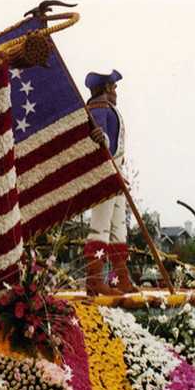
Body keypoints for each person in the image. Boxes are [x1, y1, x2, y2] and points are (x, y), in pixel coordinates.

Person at [83, 69, 138, 295]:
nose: (116, 91)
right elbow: (102, 137)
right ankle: (95, 280)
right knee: (101, 227)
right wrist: (100, 138)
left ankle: (119, 278)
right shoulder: (98, 108)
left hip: (116, 175)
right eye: (113, 87)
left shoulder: (107, 108)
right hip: (104, 175)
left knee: (118, 228)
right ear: (106, 88)